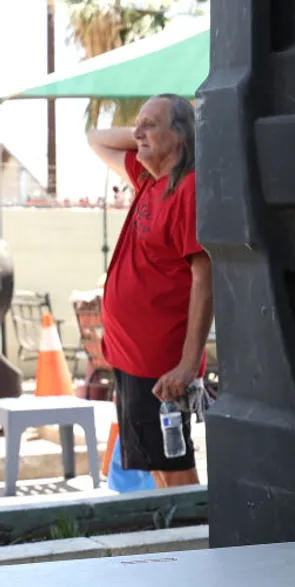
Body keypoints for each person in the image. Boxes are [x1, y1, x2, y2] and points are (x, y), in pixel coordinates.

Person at [85, 94, 212, 489]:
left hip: (159, 365)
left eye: (150, 124)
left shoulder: (187, 191)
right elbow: (95, 138)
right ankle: (179, 546)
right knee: (158, 470)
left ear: (181, 137)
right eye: (137, 124)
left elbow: (205, 278)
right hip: (130, 361)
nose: (137, 132)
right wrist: (145, 133)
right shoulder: (146, 179)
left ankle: (195, 544)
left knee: (174, 472)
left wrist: (189, 364)